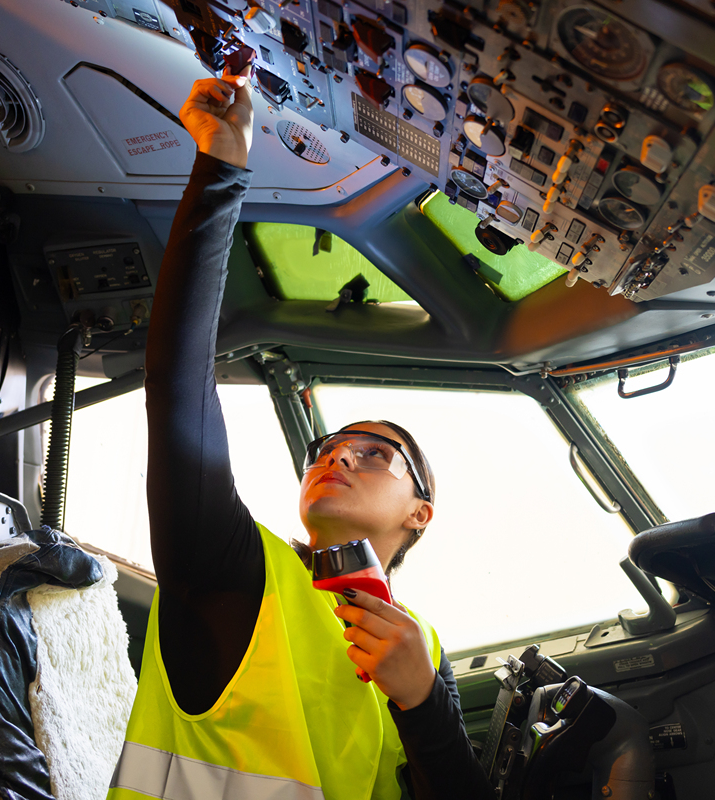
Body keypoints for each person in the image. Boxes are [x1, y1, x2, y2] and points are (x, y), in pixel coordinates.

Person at [106, 68, 494, 800]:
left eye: (378, 455)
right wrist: (221, 168)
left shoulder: (423, 648)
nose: (338, 453)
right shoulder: (231, 565)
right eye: (326, 449)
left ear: (420, 514)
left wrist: (425, 702)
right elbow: (179, 389)